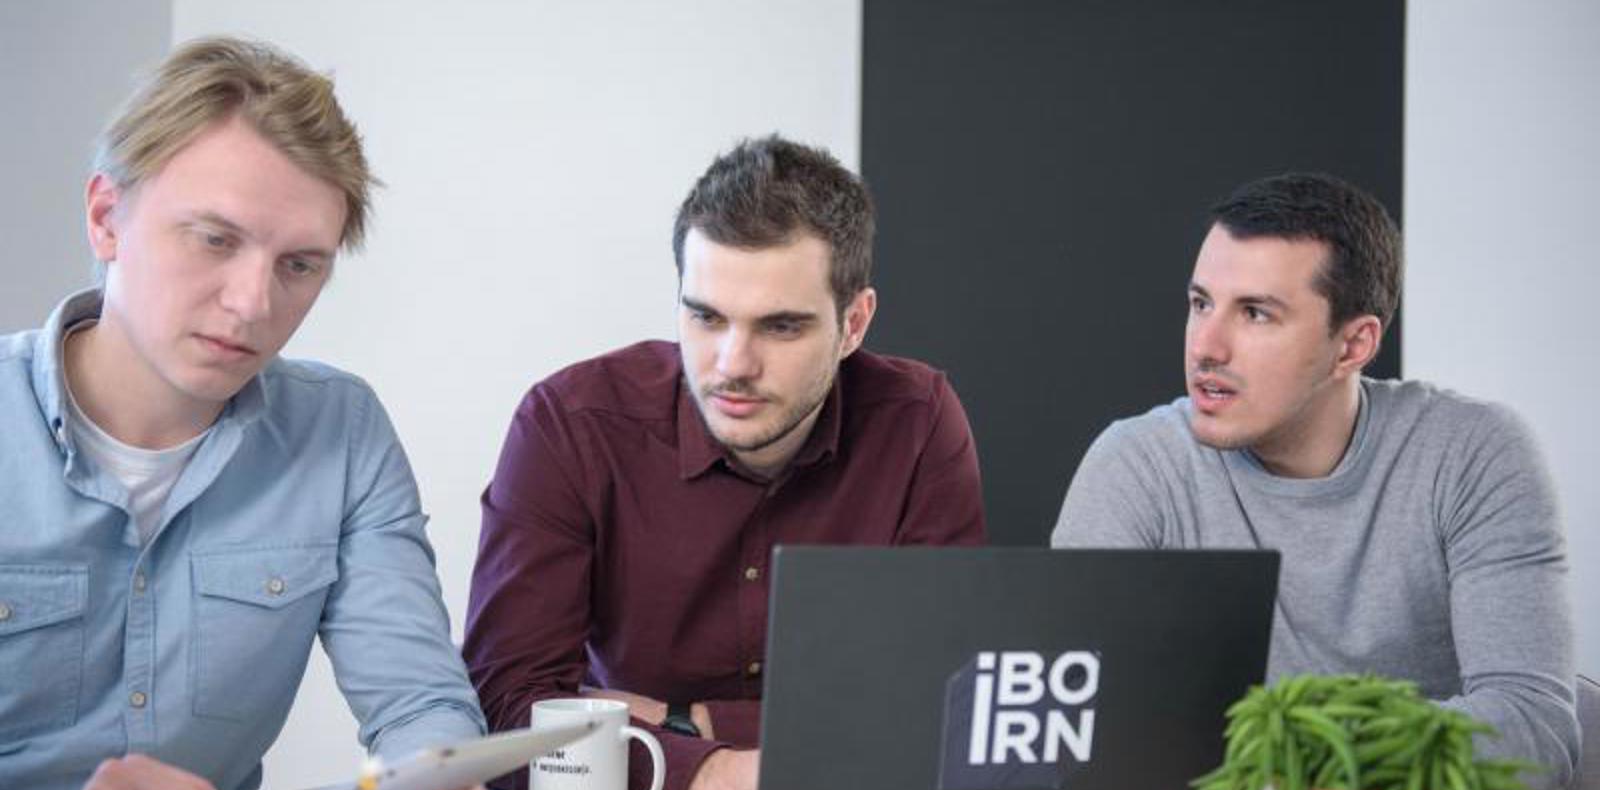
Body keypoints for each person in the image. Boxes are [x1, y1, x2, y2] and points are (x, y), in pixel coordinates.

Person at [0, 37, 485, 790]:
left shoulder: (342, 432)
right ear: (106, 217)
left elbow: (423, 713)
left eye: (299, 265)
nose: (253, 305)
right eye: (215, 240)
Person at [464, 135, 987, 790]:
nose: (733, 364)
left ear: (854, 323)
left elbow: (943, 700)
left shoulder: (917, 422)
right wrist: (725, 773)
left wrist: (685, 721)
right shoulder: (569, 426)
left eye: (781, 327)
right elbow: (507, 717)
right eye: (706, 317)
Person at [1051, 173, 1578, 788]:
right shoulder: (1134, 467)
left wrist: (1286, 754)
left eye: (1255, 313)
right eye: (1201, 304)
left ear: (1353, 345)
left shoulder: (1473, 454)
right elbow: (1077, 729)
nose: (1206, 347)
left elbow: (1533, 731)